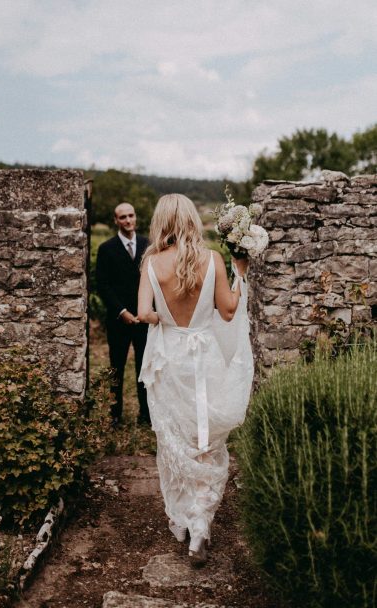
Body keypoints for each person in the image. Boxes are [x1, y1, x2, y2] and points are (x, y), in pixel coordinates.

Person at [138, 194, 254, 566]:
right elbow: (229, 309)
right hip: (204, 357)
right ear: (190, 219)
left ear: (161, 222)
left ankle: (188, 519)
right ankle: (200, 528)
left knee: (175, 437)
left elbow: (143, 313)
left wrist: (162, 320)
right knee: (206, 439)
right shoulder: (214, 260)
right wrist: (242, 275)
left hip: (170, 359)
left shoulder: (152, 263)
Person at [96, 202, 150, 426]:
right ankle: (115, 414)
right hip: (119, 320)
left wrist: (146, 311)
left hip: (145, 318)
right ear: (116, 221)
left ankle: (146, 415)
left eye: (131, 215)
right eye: (123, 217)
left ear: (136, 217)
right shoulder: (106, 248)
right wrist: (122, 311)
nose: (128, 220)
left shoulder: (149, 245)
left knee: (145, 368)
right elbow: (102, 284)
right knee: (116, 367)